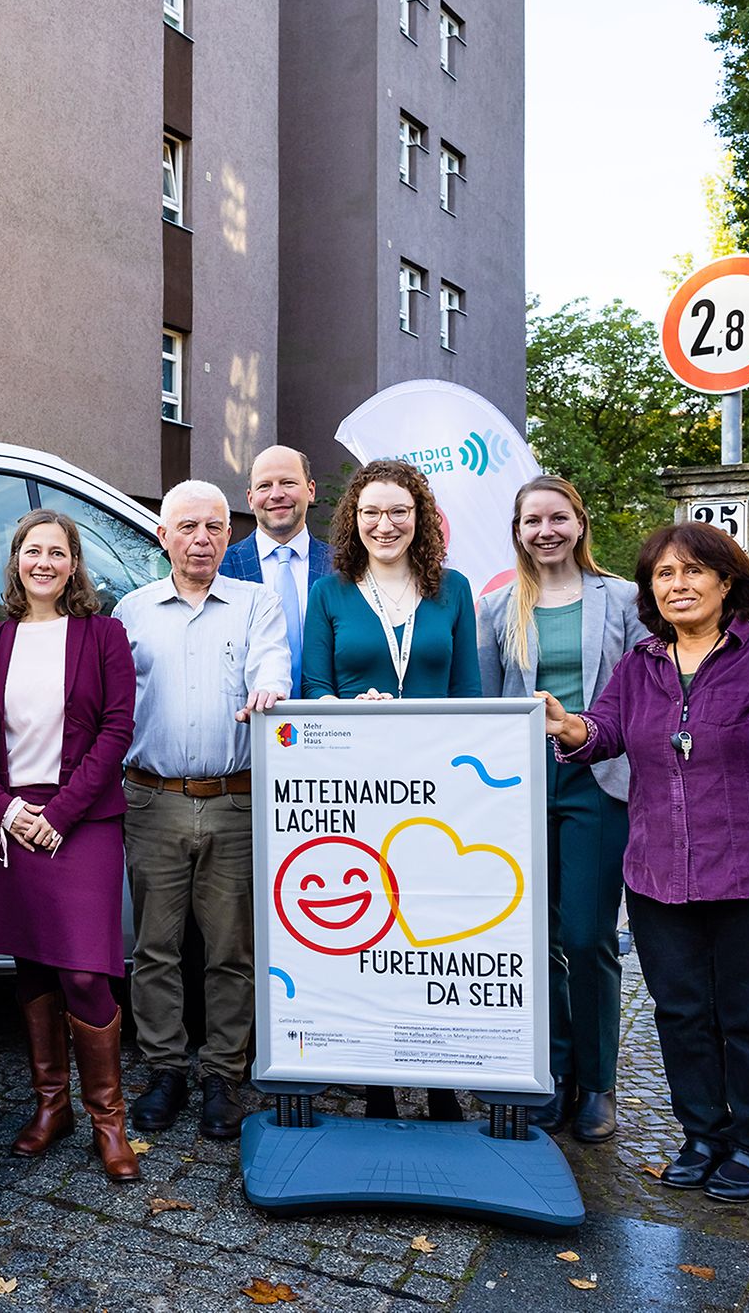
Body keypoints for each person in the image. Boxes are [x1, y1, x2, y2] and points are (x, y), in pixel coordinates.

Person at [540, 523, 749, 1202]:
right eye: (663, 575)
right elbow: (608, 729)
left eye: (692, 572)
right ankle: (703, 1134)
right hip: (659, 877)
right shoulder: (641, 663)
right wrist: (571, 728)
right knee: (680, 1012)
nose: (677, 585)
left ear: (726, 580)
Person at [301, 457, 478, 1123]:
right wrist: (353, 709)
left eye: (398, 511)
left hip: (436, 789)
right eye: (371, 512)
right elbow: (313, 688)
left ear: (421, 520)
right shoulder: (332, 592)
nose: (385, 524)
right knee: (370, 934)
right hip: (359, 786)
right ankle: (376, 1083)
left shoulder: (452, 591)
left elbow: (469, 694)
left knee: (429, 932)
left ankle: (438, 1085)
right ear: (354, 519)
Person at [114, 480, 289, 1139]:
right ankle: (165, 1071)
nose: (201, 539)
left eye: (214, 527)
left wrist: (268, 690)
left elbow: (272, 668)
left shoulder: (256, 603)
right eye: (187, 527)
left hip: (233, 799)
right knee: (154, 948)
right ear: (163, 537)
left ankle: (222, 1074)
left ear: (228, 534)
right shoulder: (131, 611)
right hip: (151, 799)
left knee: (231, 949)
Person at [0, 510, 140, 1180]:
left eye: (57, 552)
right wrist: (5, 809)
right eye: (31, 551)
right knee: (34, 967)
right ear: (16, 562)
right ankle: (51, 1107)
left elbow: (116, 731)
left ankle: (108, 1118)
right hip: (12, 822)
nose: (44, 561)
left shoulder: (104, 635)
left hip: (85, 818)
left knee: (84, 971)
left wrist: (61, 813)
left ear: (74, 565)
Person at [478, 476, 645, 1142]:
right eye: (531, 522)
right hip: (520, 786)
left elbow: (639, 695)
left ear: (579, 522)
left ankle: (598, 1082)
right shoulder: (497, 608)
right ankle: (551, 1071)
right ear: (517, 532)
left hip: (597, 780)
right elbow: (486, 706)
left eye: (557, 518)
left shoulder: (627, 600)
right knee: (534, 942)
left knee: (587, 936)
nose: (544, 531)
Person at [222, 445, 334, 695]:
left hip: (329, 722)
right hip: (248, 723)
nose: (276, 494)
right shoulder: (222, 568)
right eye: (264, 486)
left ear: (311, 490)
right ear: (250, 499)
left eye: (288, 482)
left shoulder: (345, 567)